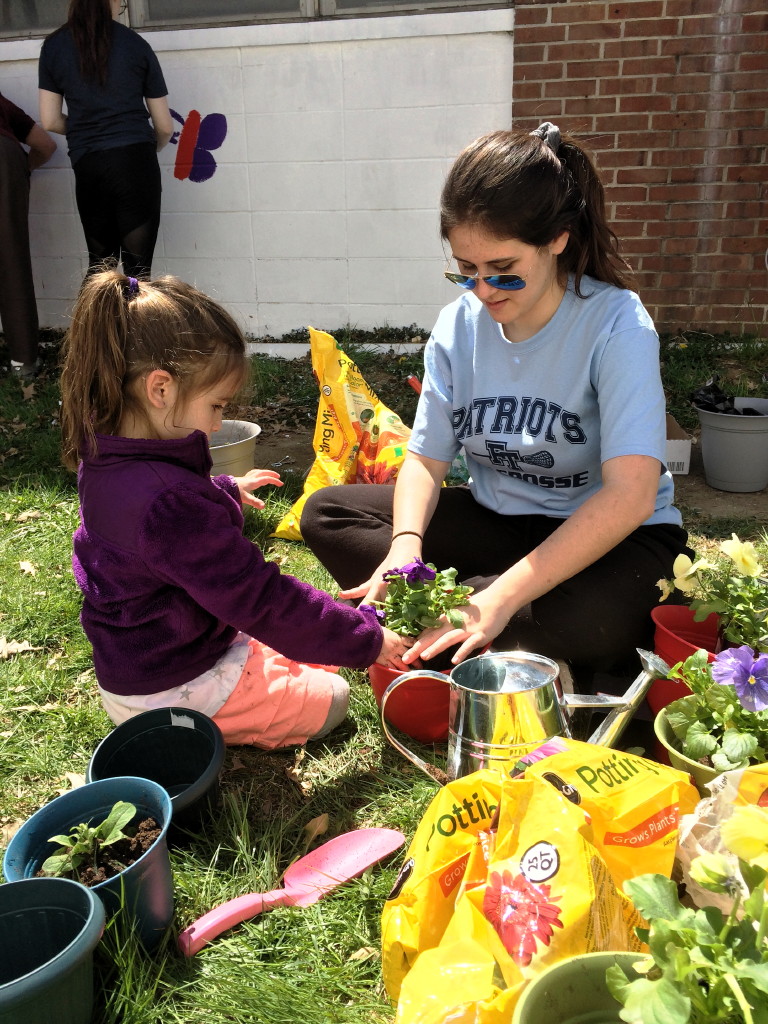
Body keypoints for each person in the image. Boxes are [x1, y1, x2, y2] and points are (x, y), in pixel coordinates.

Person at [300, 123, 693, 686]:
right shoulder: (457, 327)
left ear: (557, 238)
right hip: (502, 522)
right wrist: (405, 549)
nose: (484, 291)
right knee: (328, 514)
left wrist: (502, 595)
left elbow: (630, 497)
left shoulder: (617, 324)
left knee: (586, 617)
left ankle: (473, 618)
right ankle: (494, 630)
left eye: (504, 271)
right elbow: (427, 461)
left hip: (617, 537)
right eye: (466, 272)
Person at [59, 270, 412, 748]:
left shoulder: (107, 455)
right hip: (176, 688)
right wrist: (367, 640)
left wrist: (222, 489)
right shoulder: (172, 506)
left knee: (301, 651)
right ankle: (214, 712)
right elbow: (261, 599)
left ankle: (261, 664)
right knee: (333, 697)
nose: (220, 421)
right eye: (217, 406)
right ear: (160, 389)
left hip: (147, 665)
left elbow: (154, 527)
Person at [38, 0, 172, 280]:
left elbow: (50, 120)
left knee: (101, 267)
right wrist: (150, 150)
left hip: (89, 164)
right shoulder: (135, 44)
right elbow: (164, 126)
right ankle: (135, 325)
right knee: (138, 272)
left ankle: (92, 325)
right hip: (135, 161)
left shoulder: (54, 46)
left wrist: (85, 129)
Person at [0, 91, 56, 379]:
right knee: (11, 259)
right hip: (4, 159)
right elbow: (45, 145)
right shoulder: (2, 103)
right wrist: (23, 168)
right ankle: (24, 362)